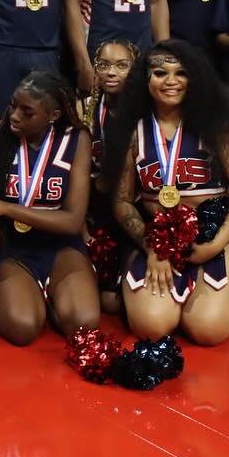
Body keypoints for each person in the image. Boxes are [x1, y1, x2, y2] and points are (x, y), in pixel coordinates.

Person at [108, 41, 229, 344]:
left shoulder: (218, 126)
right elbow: (122, 200)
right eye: (160, 73)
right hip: (155, 238)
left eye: (181, 73)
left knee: (208, 330)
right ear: (144, 79)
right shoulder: (131, 130)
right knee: (152, 327)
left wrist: (216, 243)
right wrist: (152, 246)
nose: (171, 81)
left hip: (211, 235)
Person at [0, 71, 97, 346]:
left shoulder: (77, 140)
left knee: (83, 325)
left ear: (53, 115)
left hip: (59, 245)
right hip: (9, 245)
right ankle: (21, 294)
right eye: (13, 106)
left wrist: (5, 207)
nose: (15, 116)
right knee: (23, 328)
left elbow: (72, 221)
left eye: (27, 112)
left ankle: (48, 295)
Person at [81, 38, 137, 314]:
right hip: (91, 207)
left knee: (114, 303)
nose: (111, 72)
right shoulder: (82, 109)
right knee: (103, 301)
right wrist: (83, 231)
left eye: (121, 65)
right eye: (103, 65)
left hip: (132, 207)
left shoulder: (146, 112)